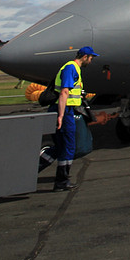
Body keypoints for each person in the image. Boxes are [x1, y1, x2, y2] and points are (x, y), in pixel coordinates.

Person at [42, 46, 98, 191]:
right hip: (64, 110)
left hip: (67, 109)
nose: (91, 61)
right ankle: (61, 182)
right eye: (91, 58)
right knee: (68, 146)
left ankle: (33, 169)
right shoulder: (71, 68)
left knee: (61, 147)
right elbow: (64, 92)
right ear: (85, 56)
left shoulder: (74, 69)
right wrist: (61, 116)